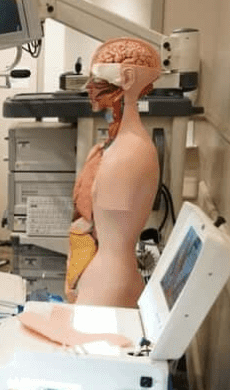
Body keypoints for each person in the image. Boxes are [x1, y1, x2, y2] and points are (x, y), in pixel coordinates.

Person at [65, 37, 162, 308]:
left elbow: (112, 231)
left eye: (98, 78)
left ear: (128, 79)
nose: (89, 88)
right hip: (101, 275)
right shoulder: (115, 148)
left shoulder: (129, 155)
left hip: (110, 283)